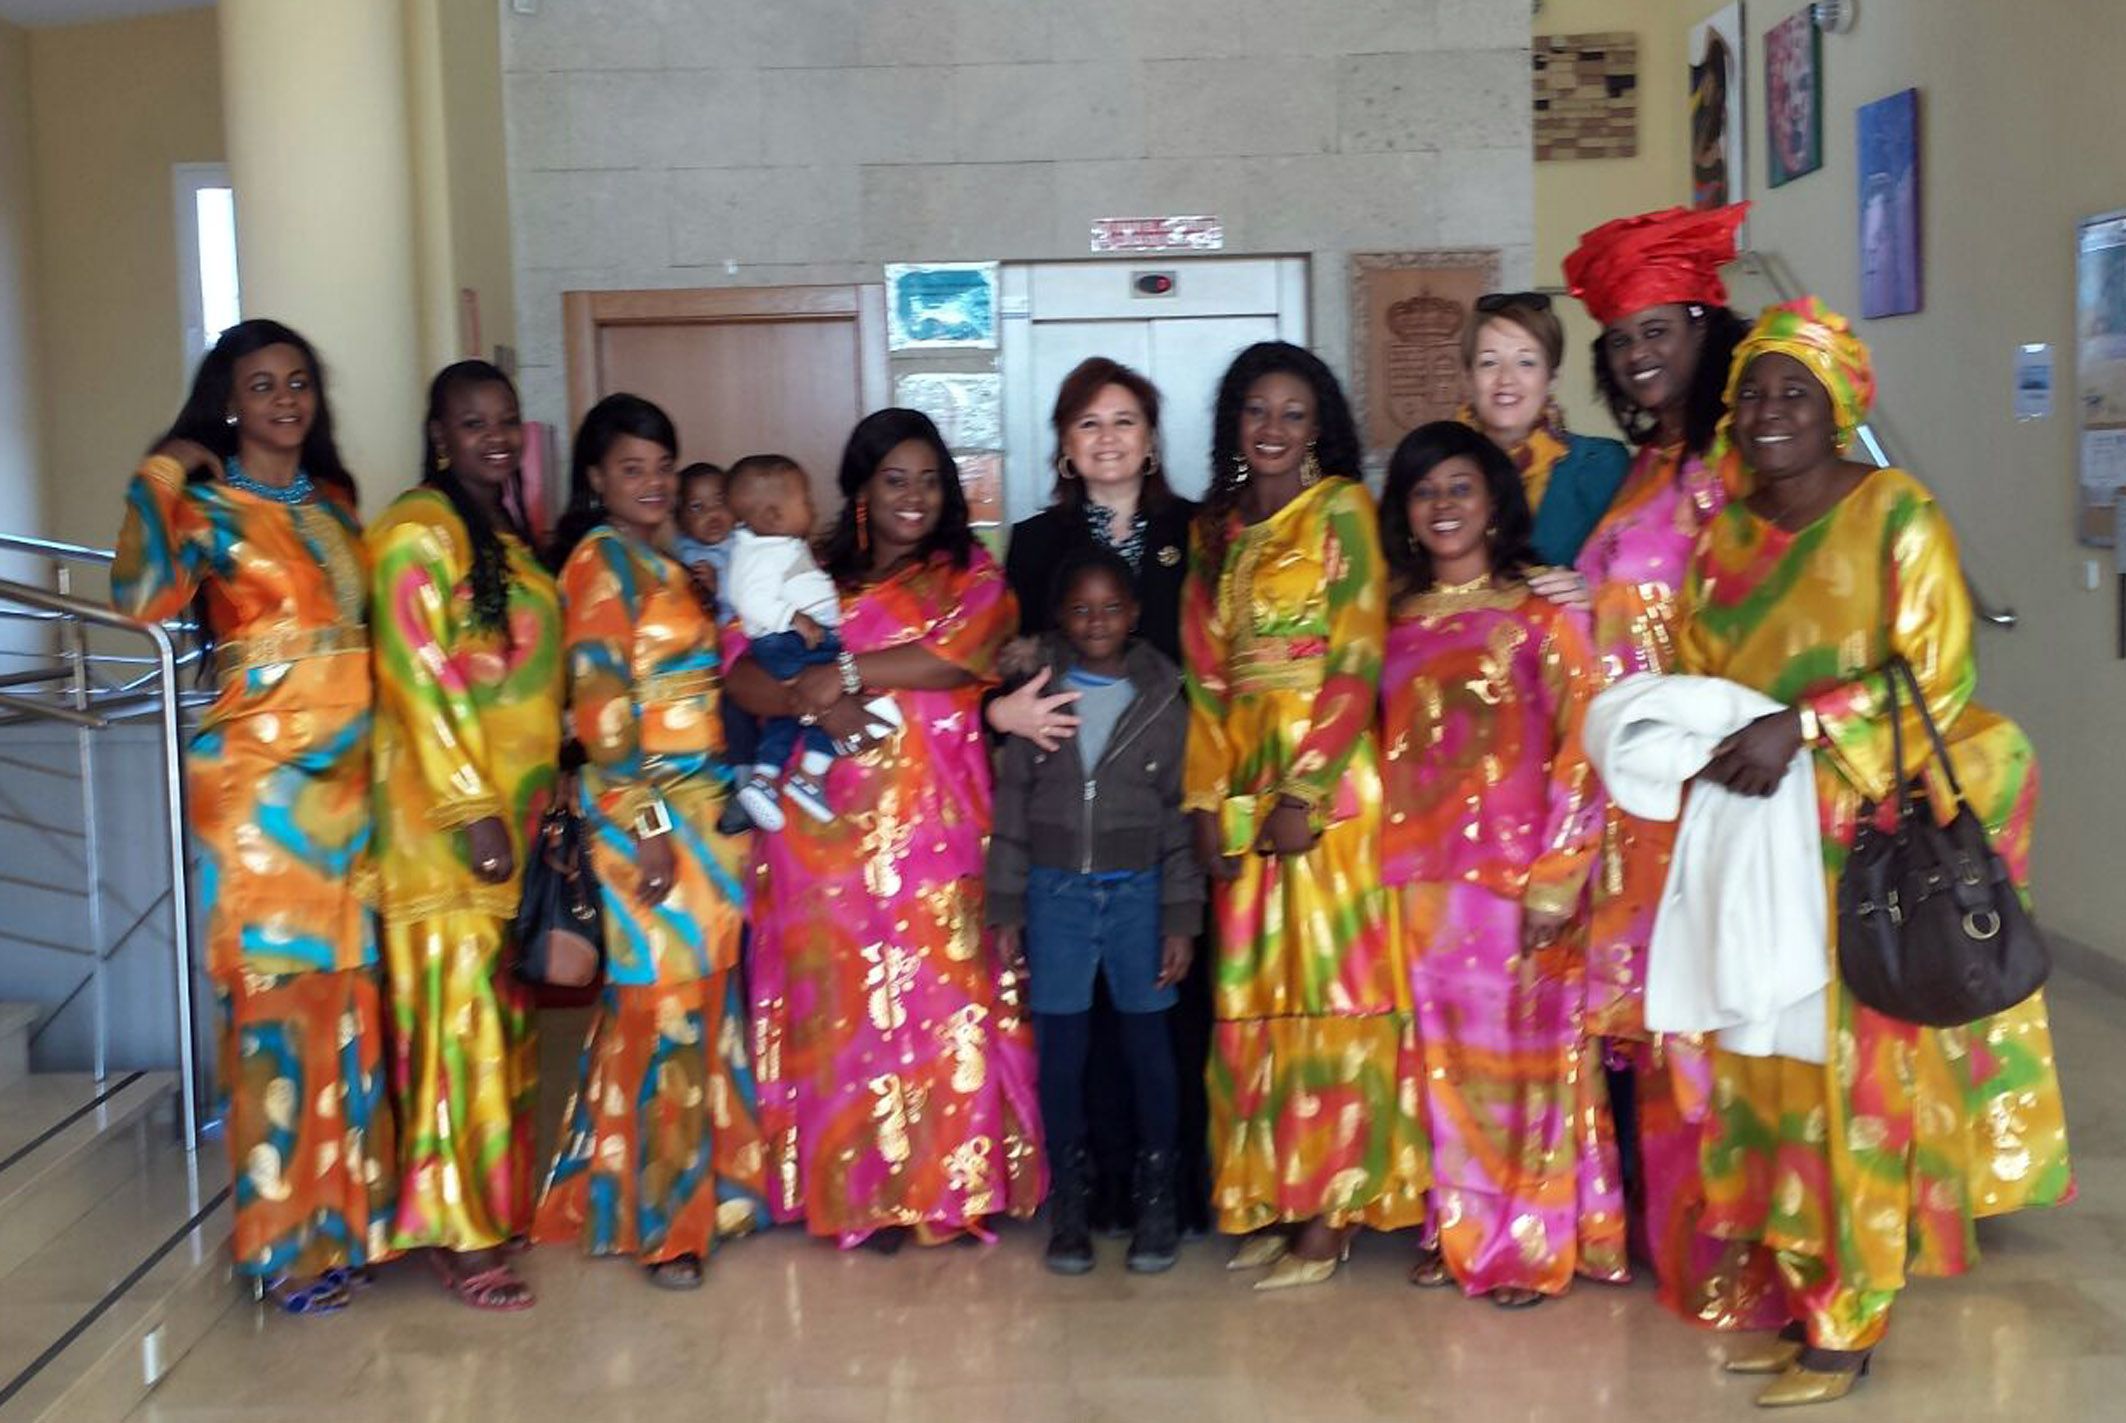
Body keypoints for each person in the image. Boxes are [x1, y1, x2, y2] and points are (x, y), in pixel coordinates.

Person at [1680, 299, 2072, 1405]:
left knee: (1848, 1088)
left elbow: (1936, 676)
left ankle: (1847, 1322)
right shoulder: (1722, 534)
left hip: (1859, 853)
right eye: (1752, 389)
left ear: (1840, 407)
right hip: (1752, 852)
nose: (1767, 411)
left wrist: (1801, 725)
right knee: (1766, 1078)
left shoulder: (1893, 512)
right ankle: (1800, 1295)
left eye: (1793, 392)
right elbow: (1704, 671)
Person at [112, 319, 393, 1315]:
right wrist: (160, 468)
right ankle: (280, 1245)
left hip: (349, 797)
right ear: (231, 401)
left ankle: (343, 1225)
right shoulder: (206, 506)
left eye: (300, 382)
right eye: (263, 384)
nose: (285, 400)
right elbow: (142, 597)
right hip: (261, 796)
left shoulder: (337, 504)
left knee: (346, 1015)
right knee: (275, 1020)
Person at [1559, 202, 1787, 1331]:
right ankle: (1687, 1249)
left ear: (1707, 324)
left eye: (1657, 330)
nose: (1638, 355)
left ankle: (1749, 1261)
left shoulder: (1743, 456)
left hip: (1715, 784)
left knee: (1716, 1022)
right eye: (1620, 341)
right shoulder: (1651, 462)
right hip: (1638, 796)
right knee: (1662, 1025)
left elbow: (1758, 610)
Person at [1183, 341, 1429, 1290]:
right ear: (1234, 425)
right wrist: (1206, 797)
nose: (1273, 428)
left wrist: (1305, 789)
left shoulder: (1343, 511)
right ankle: (1277, 1197)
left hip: (1327, 788)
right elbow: (1206, 677)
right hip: (1242, 770)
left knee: (1330, 993)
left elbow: (1358, 650)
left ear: (1318, 424)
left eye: (1292, 412)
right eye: (1256, 411)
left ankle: (1331, 1216)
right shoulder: (1216, 530)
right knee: (1253, 995)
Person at [1377, 421, 1622, 1309]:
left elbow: (1583, 745)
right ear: (1403, 512)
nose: (1442, 507)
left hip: (1520, 881)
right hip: (1417, 880)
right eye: (1424, 491)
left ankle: (1529, 1240)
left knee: (1525, 1061)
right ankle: (1459, 1229)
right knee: (1440, 1067)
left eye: (1460, 488)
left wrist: (1560, 876)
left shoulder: (1540, 614)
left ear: (1494, 505)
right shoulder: (1390, 617)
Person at [531, 393, 766, 1290]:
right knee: (664, 1013)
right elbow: (602, 716)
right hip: (650, 817)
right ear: (596, 479)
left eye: (664, 465)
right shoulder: (599, 565)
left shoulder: (658, 559)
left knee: (697, 1008)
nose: (655, 482)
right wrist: (649, 831)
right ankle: (668, 1225)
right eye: (633, 467)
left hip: (702, 812)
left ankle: (693, 1193)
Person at [991, 355, 1212, 1239]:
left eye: (1124, 420)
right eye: (1088, 423)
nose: (1108, 438)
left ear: (1152, 438)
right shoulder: (1036, 542)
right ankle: (1088, 1190)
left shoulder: (1197, 532)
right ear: (1065, 445)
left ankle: (1171, 1188)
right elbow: (1002, 663)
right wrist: (996, 708)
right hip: (1060, 817)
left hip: (1168, 800)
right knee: (1073, 1029)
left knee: (1162, 1012)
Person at [369, 360, 561, 1310]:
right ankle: (458, 1230)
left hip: (515, 825)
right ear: (438, 434)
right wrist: (470, 809)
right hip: (446, 831)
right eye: (471, 420)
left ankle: (489, 1202)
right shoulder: (417, 530)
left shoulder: (508, 540)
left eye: (507, 420)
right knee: (458, 1028)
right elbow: (418, 672)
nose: (493, 434)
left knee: (500, 1022)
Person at [722, 454, 900, 831]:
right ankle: (808, 776)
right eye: (805, 501)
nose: (814, 508)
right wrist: (794, 619)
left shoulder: (779, 545)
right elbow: (749, 599)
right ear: (773, 516)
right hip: (788, 640)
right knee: (819, 698)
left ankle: (769, 778)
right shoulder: (760, 553)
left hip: (798, 639)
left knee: (794, 713)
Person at [1460, 292, 1629, 565]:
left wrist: (1590, 587)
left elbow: (1631, 572)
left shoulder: (1598, 466)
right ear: (1469, 377)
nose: (1506, 379)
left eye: (1526, 362)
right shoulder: (1435, 469)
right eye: (1489, 362)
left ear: (1552, 378)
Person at [673, 460, 734, 621]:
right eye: (697, 507)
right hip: (723, 629)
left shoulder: (745, 539)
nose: (712, 513)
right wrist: (714, 587)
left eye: (720, 501)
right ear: (680, 520)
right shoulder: (688, 558)